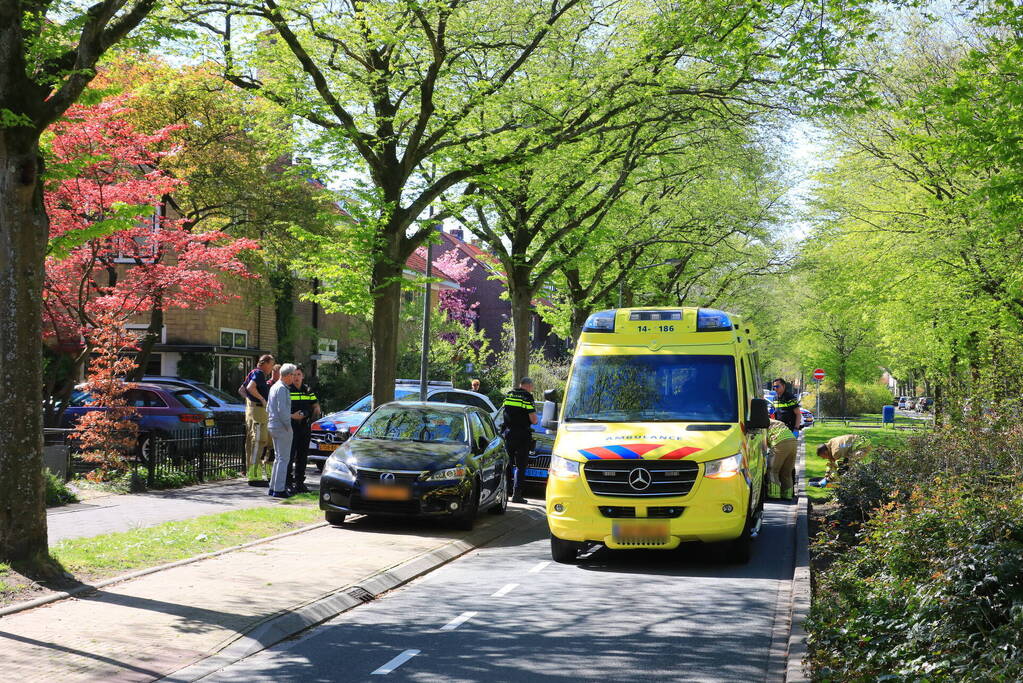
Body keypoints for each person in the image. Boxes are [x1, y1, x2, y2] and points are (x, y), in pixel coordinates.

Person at [266, 363, 305, 498]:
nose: (293, 377)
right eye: (293, 375)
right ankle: (279, 489)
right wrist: (289, 425)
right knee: (284, 459)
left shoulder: (274, 387)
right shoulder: (282, 389)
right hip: (282, 427)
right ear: (288, 375)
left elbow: (269, 408)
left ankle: (273, 487)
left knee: (278, 458)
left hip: (273, 425)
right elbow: (282, 411)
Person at [502, 377, 538, 503]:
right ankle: (516, 495)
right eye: (532, 387)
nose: (532, 389)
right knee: (520, 466)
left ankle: (503, 493)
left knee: (507, 464)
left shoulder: (509, 394)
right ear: (528, 386)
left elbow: (504, 413)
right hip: (522, 435)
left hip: (508, 434)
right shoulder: (527, 396)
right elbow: (534, 420)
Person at [286, 366, 320, 494]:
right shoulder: (288, 390)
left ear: (302, 376)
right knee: (289, 455)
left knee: (302, 456)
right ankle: (288, 483)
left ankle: (300, 482)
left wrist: (314, 410)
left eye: (298, 374)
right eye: (293, 375)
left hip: (304, 426)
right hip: (291, 426)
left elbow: (316, 405)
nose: (296, 377)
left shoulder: (308, 390)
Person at [242, 354, 274, 486]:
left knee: (252, 443)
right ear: (265, 363)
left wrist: (250, 401)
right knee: (259, 442)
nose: (271, 368)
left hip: (252, 411)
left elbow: (241, 390)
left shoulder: (252, 372)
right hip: (259, 412)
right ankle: (254, 477)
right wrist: (261, 399)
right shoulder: (259, 373)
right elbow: (249, 388)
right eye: (271, 365)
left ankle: (255, 474)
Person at [766, 418, 798, 500]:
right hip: (793, 442)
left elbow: (762, 444)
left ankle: (774, 494)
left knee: (773, 470)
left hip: (779, 442)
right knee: (787, 472)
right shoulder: (776, 422)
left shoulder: (762, 424)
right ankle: (787, 495)